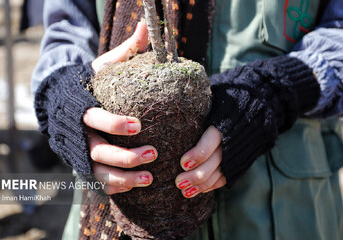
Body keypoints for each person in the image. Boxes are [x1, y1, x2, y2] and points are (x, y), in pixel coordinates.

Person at [32, 0, 343, 239]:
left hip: (283, 209)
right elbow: (64, 34)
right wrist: (62, 94)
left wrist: (276, 89)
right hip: (109, 208)